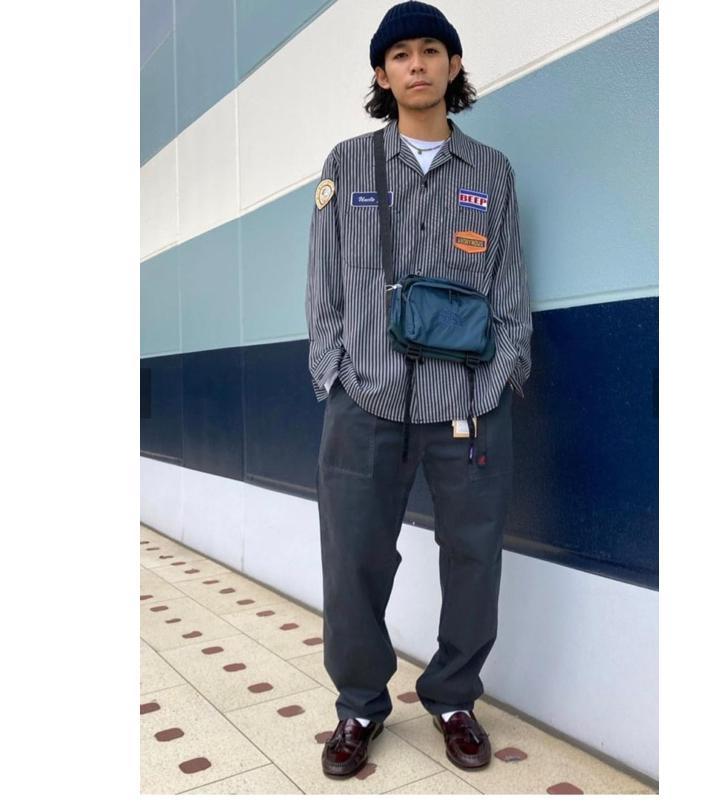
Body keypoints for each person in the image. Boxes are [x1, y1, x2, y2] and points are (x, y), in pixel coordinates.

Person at [305, 0, 532, 779]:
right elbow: (323, 285)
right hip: (365, 402)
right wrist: (333, 373)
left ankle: (454, 698)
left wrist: (496, 382)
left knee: (473, 559)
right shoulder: (347, 164)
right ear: (382, 74)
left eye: (431, 50)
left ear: (453, 65)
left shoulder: (492, 172)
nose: (416, 65)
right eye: (399, 55)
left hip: (468, 406)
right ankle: (360, 705)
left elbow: (509, 293)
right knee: (353, 561)